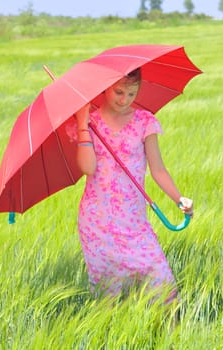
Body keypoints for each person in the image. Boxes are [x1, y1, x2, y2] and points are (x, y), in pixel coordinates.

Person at [75, 68, 193, 300]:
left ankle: (174, 336)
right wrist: (82, 124)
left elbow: (158, 170)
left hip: (134, 222)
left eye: (131, 93)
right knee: (107, 297)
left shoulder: (144, 122)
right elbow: (87, 168)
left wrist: (179, 199)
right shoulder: (92, 123)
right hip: (97, 223)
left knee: (164, 289)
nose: (124, 100)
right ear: (105, 88)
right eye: (118, 92)